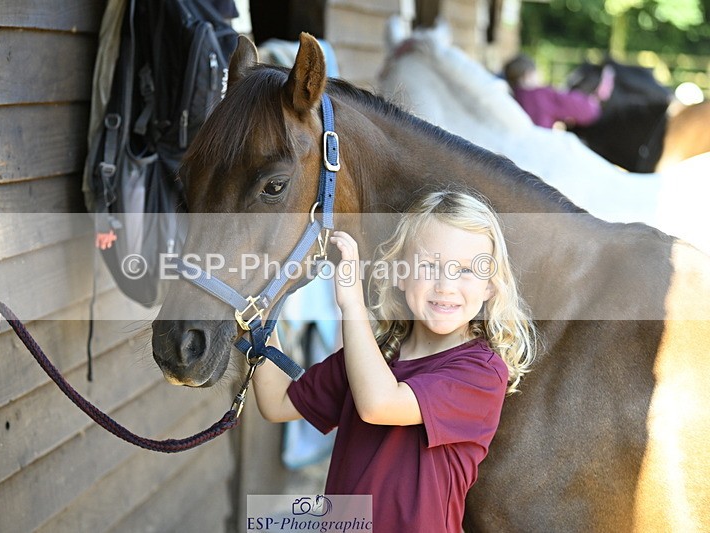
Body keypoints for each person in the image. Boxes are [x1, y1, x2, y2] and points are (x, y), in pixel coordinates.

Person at [252, 189, 537, 532]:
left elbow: (379, 404)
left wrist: (352, 305)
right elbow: (277, 402)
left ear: (490, 287)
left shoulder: (480, 371)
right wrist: (261, 312)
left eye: (465, 270)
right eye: (429, 266)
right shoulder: (374, 357)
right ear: (400, 275)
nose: (445, 285)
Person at [504, 53, 614, 128]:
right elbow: (587, 111)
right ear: (527, 75)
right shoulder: (541, 95)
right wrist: (594, 102)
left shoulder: (512, 96)